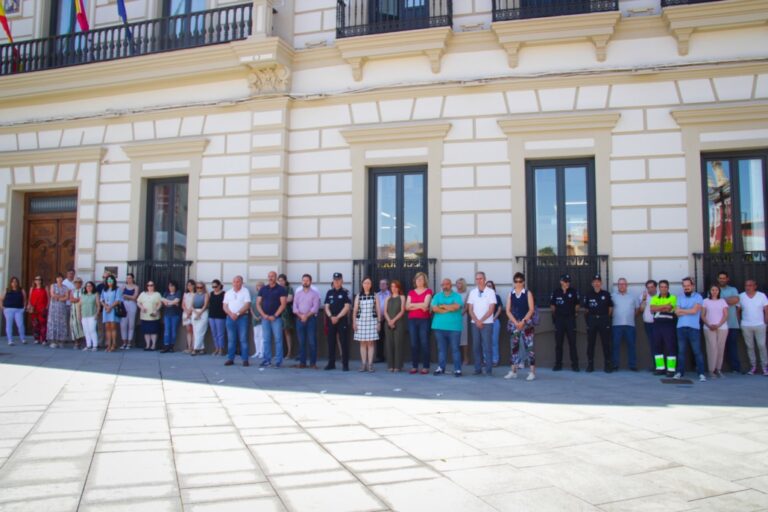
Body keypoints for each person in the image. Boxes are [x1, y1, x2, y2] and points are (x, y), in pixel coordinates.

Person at [505, 272, 536, 381]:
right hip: (514, 324)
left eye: (520, 281)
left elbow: (531, 309)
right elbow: (508, 310)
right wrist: (515, 322)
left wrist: (523, 321)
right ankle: (513, 371)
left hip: (526, 324)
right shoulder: (511, 294)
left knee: (530, 348)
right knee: (514, 348)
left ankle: (532, 372)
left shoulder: (527, 293)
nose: (518, 283)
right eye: (516, 281)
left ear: (523, 282)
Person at [675, 277, 706, 382]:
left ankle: (701, 373)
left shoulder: (698, 297)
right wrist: (687, 310)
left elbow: (694, 311)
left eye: (688, 285)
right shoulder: (679, 297)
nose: (686, 288)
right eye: (684, 286)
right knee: (681, 352)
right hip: (680, 328)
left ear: (692, 286)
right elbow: (677, 312)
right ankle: (679, 372)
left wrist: (683, 310)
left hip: (694, 328)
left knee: (697, 352)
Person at [431, 278, 464, 377]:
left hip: (454, 327)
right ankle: (441, 367)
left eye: (447, 284)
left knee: (455, 349)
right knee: (441, 349)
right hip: (439, 327)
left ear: (451, 285)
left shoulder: (457, 296)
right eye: (443, 284)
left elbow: (457, 307)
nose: (445, 286)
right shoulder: (437, 296)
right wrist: (449, 307)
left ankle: (458, 369)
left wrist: (442, 306)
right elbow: (434, 308)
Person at [257, 271, 288, 368]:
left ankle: (278, 361)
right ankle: (267, 360)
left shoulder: (281, 289)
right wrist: (263, 315)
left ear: (276, 277)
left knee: (278, 340)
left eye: (273, 276)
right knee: (266, 340)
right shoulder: (263, 289)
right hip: (265, 318)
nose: (271, 278)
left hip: (276, 318)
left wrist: (275, 315)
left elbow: (283, 304)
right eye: (269, 276)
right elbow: (258, 303)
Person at [467, 271, 496, 376]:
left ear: (485, 279)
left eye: (481, 278)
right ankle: (477, 369)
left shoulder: (491, 292)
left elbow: (491, 309)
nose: (479, 280)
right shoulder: (472, 292)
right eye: (477, 279)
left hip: (487, 323)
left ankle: (488, 370)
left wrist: (481, 320)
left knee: (487, 347)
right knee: (476, 346)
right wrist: (476, 321)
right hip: (474, 324)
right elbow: (470, 309)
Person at [583, 274, 613, 373]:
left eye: (598, 281)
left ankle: (607, 365)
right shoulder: (588, 294)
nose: (597, 283)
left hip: (604, 320)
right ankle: (590, 365)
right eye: (595, 281)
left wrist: (605, 318)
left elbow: (610, 308)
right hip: (592, 320)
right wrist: (590, 319)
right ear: (592, 283)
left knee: (606, 343)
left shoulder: (606, 294)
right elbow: (586, 310)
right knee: (591, 343)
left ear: (601, 283)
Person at [549, 273, 579, 372]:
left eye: (568, 281)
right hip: (559, 320)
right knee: (558, 343)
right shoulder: (556, 292)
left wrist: (575, 313)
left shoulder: (573, 292)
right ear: (561, 281)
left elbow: (577, 305)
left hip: (570, 320)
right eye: (565, 281)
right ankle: (558, 364)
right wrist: (556, 317)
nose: (567, 283)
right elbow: (552, 306)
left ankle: (575, 365)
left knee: (572, 343)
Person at [739, 279, 768, 375]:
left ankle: (765, 367)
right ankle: (753, 367)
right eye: (746, 285)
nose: (748, 287)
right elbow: (738, 310)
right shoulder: (741, 296)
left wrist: (766, 321)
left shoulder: (761, 296)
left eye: (750, 285)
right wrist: (739, 321)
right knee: (749, 346)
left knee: (762, 345)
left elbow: (766, 309)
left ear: (755, 286)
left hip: (760, 324)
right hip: (746, 325)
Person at [292, 274, 321, 369]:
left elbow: (315, 307)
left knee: (312, 341)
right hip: (299, 319)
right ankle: (302, 362)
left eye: (307, 280)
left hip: (311, 319)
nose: (305, 282)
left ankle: (313, 363)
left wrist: (306, 316)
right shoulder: (298, 293)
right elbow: (294, 307)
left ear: (310, 282)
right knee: (301, 342)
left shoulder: (315, 294)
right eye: (303, 280)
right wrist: (301, 316)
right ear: (302, 281)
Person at [406, 272, 432, 375]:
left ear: (425, 281)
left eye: (421, 279)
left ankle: (426, 366)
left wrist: (413, 305)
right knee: (413, 343)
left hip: (424, 320)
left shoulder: (428, 291)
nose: (419, 281)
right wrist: (420, 306)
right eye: (417, 279)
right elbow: (406, 307)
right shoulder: (411, 292)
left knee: (424, 343)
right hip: (412, 320)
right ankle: (414, 366)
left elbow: (426, 305)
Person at [324, 272, 351, 371]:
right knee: (331, 342)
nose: (336, 281)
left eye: (339, 280)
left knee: (344, 342)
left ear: (342, 281)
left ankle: (345, 364)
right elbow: (326, 307)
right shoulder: (329, 292)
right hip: (331, 320)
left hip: (342, 320)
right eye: (335, 280)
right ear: (333, 281)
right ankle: (331, 363)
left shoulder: (345, 292)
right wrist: (331, 316)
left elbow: (347, 307)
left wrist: (337, 317)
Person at [650, 279, 677, 377]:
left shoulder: (673, 297)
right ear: (659, 288)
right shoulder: (655, 298)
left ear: (668, 288)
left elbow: (670, 308)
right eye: (661, 287)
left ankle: (671, 369)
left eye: (665, 287)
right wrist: (664, 306)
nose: (663, 289)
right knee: (657, 346)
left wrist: (659, 307)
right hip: (657, 325)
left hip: (668, 325)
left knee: (670, 347)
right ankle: (660, 368)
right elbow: (652, 309)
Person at [353, 277, 380, 372]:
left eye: (369, 283)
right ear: (362, 284)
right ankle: (363, 364)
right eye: (365, 283)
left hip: (372, 321)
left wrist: (379, 322)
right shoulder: (358, 296)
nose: (367, 285)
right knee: (363, 343)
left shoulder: (375, 295)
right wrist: (354, 322)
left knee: (371, 343)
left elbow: (378, 310)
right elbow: (355, 310)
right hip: (360, 321)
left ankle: (370, 365)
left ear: (371, 285)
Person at [224, 275, 252, 367]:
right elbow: (224, 306)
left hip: (242, 318)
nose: (236, 283)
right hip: (230, 318)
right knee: (231, 339)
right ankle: (230, 359)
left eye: (238, 281)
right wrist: (231, 314)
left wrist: (238, 314)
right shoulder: (228, 292)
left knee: (243, 339)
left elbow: (247, 304)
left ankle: (245, 360)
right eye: (234, 281)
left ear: (241, 282)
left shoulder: (245, 291)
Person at [611, 278, 638, 371]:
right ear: (617, 286)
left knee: (631, 345)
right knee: (615, 345)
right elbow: (609, 309)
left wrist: (630, 317)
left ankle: (633, 365)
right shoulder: (612, 296)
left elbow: (637, 310)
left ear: (627, 285)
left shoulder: (632, 297)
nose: (622, 286)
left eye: (623, 284)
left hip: (630, 325)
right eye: (620, 284)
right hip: (616, 325)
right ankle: (615, 365)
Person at [718, 271, 742, 373]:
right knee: (719, 347)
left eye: (724, 278)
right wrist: (727, 300)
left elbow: (736, 300)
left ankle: (735, 368)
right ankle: (718, 367)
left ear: (727, 279)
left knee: (732, 346)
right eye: (720, 278)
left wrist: (720, 300)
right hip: (719, 324)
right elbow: (713, 301)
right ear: (718, 279)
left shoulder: (733, 289)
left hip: (732, 323)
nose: (722, 280)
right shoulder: (714, 290)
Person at [702, 285, 728, 378]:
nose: (714, 291)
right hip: (709, 328)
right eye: (712, 290)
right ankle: (711, 370)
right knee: (712, 348)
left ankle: (719, 369)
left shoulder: (722, 301)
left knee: (721, 348)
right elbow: (703, 315)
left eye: (716, 290)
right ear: (710, 291)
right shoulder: (705, 301)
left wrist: (718, 325)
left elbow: (725, 315)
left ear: (719, 291)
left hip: (722, 327)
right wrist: (709, 325)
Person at [384, 280, 407, 372]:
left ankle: (398, 365)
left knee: (398, 344)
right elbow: (385, 311)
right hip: (388, 323)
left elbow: (402, 311)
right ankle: (390, 365)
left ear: (399, 287)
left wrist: (393, 320)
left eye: (395, 286)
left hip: (398, 323)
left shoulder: (402, 297)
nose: (393, 288)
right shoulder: (387, 298)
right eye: (392, 286)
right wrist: (389, 321)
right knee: (389, 344)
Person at [637, 280, 658, 371]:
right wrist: (644, 299)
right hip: (648, 324)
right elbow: (641, 310)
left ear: (655, 287)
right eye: (648, 287)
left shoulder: (660, 296)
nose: (650, 289)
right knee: (653, 345)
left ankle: (662, 366)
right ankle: (656, 365)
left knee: (660, 345)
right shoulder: (643, 296)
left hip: (658, 324)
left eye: (652, 287)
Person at [137, 280, 162, 351]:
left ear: (154, 286)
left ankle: (153, 345)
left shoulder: (157, 294)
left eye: (151, 285)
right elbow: (138, 302)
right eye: (148, 285)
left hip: (154, 315)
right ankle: (147, 345)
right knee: (146, 331)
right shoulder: (143, 294)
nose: (150, 287)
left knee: (153, 331)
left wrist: (156, 310)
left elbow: (160, 303)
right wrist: (142, 307)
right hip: (145, 316)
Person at [47, 273, 70, 349]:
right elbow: (52, 295)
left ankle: (61, 341)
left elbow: (67, 297)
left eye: (61, 278)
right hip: (53, 308)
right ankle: (53, 341)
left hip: (62, 308)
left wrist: (59, 297)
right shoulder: (53, 286)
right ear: (56, 279)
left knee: (62, 323)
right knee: (53, 323)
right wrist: (61, 296)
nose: (59, 279)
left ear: (62, 279)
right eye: (58, 278)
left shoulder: (65, 287)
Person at [2, 277, 26, 346]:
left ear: (17, 283)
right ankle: (10, 340)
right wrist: (2, 307)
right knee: (9, 325)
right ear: (10, 283)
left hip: (19, 309)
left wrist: (24, 307)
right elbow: (1, 299)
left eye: (15, 281)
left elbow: (25, 299)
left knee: (20, 324)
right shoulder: (7, 290)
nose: (14, 283)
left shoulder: (21, 290)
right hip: (8, 309)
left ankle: (23, 339)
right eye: (13, 282)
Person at [100, 275, 122, 352]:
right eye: (108, 280)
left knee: (113, 327)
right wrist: (105, 306)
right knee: (107, 327)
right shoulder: (104, 289)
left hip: (112, 309)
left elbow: (118, 300)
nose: (109, 282)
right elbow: (101, 299)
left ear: (113, 281)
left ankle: (114, 344)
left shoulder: (117, 289)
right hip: (106, 310)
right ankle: (108, 344)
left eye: (111, 280)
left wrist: (110, 307)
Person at [161, 280, 182, 352]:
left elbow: (177, 301)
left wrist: (169, 302)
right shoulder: (166, 293)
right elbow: (162, 300)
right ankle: (166, 346)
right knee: (167, 330)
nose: (171, 287)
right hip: (167, 314)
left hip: (175, 314)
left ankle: (171, 346)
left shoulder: (178, 292)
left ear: (175, 286)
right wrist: (172, 303)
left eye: (172, 286)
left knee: (173, 330)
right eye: (170, 286)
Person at [277, 274, 295, 361]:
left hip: (286, 313)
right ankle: (279, 353)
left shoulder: (289, 289)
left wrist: (279, 300)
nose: (280, 282)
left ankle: (289, 352)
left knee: (287, 332)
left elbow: (290, 299)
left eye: (282, 280)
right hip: (276, 312)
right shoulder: (276, 289)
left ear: (285, 281)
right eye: (279, 280)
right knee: (278, 333)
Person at [119, 273, 138, 350]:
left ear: (133, 279)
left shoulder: (136, 287)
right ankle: (124, 342)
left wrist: (126, 296)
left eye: (130, 278)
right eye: (127, 278)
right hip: (124, 304)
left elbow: (134, 297)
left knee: (131, 324)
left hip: (132, 305)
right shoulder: (123, 286)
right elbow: (120, 295)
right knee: (123, 324)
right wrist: (129, 296)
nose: (128, 279)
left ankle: (129, 343)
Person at [208, 279, 227, 356]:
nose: (214, 288)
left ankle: (221, 349)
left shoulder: (224, 294)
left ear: (219, 286)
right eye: (213, 286)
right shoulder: (211, 293)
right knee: (214, 333)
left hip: (221, 316)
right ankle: (216, 348)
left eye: (215, 286)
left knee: (220, 333)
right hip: (212, 315)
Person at [80, 281, 100, 351]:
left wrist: (97, 314)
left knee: (92, 330)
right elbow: (80, 306)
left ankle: (95, 345)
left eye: (90, 286)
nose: (88, 287)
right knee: (86, 331)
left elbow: (98, 305)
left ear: (92, 287)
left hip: (92, 315)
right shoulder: (83, 295)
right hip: (84, 315)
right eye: (87, 286)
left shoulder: (95, 294)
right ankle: (88, 345)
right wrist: (79, 315)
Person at [27, 276, 48, 344]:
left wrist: (47, 306)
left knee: (43, 324)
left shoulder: (45, 288)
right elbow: (30, 298)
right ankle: (36, 338)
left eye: (39, 279)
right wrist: (29, 305)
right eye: (36, 279)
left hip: (42, 308)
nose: (38, 281)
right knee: (35, 324)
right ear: (34, 281)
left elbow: (48, 297)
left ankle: (44, 339)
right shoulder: (32, 288)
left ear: (41, 281)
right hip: (34, 309)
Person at [455, 277, 471, 366]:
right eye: (457, 283)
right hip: (454, 317)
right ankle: (457, 358)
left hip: (463, 316)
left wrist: (462, 313)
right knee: (456, 337)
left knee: (464, 338)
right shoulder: (454, 294)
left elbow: (467, 306)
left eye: (460, 283)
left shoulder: (467, 293)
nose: (458, 285)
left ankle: (466, 358)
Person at [487, 280, 503, 367]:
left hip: (495, 321)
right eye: (487, 286)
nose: (489, 287)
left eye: (490, 286)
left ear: (493, 287)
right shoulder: (482, 297)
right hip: (485, 322)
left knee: (494, 342)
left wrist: (494, 318)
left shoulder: (497, 297)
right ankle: (486, 360)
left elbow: (499, 309)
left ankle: (495, 360)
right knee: (485, 342)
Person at [191, 281, 209, 355]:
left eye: (200, 287)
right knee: (195, 331)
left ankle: (195, 349)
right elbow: (191, 305)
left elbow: (205, 305)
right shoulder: (194, 295)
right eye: (197, 287)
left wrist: (200, 313)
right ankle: (202, 348)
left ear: (203, 287)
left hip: (203, 312)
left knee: (200, 331)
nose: (199, 289)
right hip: (195, 312)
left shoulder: (206, 295)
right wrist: (195, 312)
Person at [375, 278, 390, 363]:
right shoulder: (377, 295)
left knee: (388, 338)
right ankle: (379, 356)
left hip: (388, 319)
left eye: (384, 284)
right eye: (380, 284)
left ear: (387, 285)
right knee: (379, 338)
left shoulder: (390, 294)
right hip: (379, 319)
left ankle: (390, 357)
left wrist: (385, 315)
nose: (382, 285)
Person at [69, 277, 85, 350]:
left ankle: (83, 342)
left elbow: (84, 299)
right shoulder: (72, 291)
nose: (77, 284)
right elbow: (71, 299)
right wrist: (77, 299)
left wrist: (77, 300)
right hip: (74, 310)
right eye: (76, 282)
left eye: (79, 282)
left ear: (81, 283)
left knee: (82, 325)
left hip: (82, 309)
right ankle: (76, 342)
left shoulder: (84, 290)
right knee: (74, 325)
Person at [251, 281, 264, 360]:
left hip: (262, 317)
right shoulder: (254, 296)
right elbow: (251, 306)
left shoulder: (265, 296)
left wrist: (261, 316)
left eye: (261, 286)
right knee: (256, 335)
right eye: (258, 286)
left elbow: (266, 306)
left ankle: (262, 352)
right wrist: (253, 315)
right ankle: (257, 351)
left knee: (262, 336)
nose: (259, 287)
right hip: (254, 318)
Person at [182, 279, 196, 354]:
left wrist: (190, 311)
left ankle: (194, 347)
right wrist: (186, 311)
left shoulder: (196, 294)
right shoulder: (185, 294)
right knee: (188, 330)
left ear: (194, 286)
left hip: (193, 313)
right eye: (188, 285)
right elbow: (183, 304)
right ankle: (189, 347)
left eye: (191, 285)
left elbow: (194, 304)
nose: (189, 287)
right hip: (185, 313)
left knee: (193, 330)